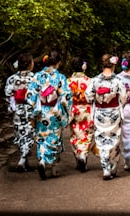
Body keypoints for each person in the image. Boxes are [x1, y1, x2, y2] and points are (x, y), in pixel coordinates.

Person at [26, 50, 72, 180]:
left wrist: (32, 112)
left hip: (41, 111)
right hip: (54, 111)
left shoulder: (37, 77)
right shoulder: (60, 78)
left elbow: (30, 96)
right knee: (54, 137)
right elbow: (66, 97)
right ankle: (52, 167)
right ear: (58, 62)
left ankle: (42, 160)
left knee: (42, 136)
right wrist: (67, 111)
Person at [85, 54, 126, 180]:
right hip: (114, 113)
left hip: (100, 113)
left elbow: (88, 96)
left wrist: (98, 99)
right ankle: (113, 166)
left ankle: (105, 169)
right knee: (114, 139)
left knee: (102, 140)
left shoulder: (95, 80)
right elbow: (124, 97)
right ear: (113, 65)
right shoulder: (118, 81)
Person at [4, 52, 35, 172]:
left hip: (17, 109)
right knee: (30, 133)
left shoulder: (11, 79)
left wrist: (11, 106)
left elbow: (8, 94)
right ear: (29, 64)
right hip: (30, 109)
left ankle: (24, 159)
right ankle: (23, 159)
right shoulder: (34, 78)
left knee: (20, 132)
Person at [67, 56, 95, 172]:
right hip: (87, 109)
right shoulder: (89, 81)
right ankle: (83, 154)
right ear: (84, 67)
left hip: (73, 109)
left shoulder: (67, 82)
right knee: (87, 133)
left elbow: (65, 97)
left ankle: (78, 155)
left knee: (75, 134)